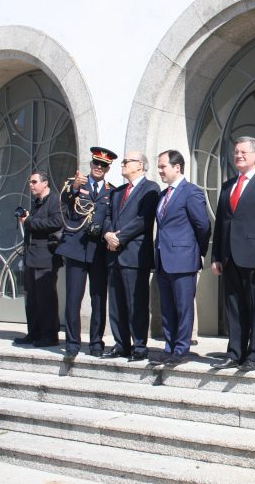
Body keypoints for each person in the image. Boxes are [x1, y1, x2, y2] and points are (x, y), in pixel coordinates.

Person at [210, 136, 255, 371]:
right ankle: (234, 353)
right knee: (233, 308)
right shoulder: (227, 185)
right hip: (230, 257)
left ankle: (254, 355)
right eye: (236, 153)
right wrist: (216, 257)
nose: (238, 156)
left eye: (243, 152)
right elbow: (221, 223)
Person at [55, 147, 117, 359]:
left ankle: (96, 343)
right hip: (76, 247)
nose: (99, 168)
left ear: (108, 168)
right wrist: (73, 187)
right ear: (90, 165)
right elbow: (63, 204)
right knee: (73, 298)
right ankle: (72, 343)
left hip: (99, 250)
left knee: (99, 298)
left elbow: (111, 217)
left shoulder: (112, 190)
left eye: (104, 165)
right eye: (95, 164)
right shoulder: (75, 184)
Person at [152, 150, 211, 365]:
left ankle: (181, 349)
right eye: (159, 167)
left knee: (183, 306)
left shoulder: (191, 192)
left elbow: (203, 226)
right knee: (167, 307)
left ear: (177, 167)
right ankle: (169, 346)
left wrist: (198, 251)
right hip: (163, 258)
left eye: (163, 166)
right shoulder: (162, 195)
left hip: (184, 258)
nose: (159, 171)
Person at [101, 151, 160, 362]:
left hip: (134, 255)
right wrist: (108, 234)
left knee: (136, 303)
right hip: (113, 254)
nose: (123, 164)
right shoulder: (118, 192)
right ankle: (121, 344)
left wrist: (120, 237)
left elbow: (143, 220)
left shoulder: (151, 189)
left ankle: (140, 346)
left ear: (140, 165)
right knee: (116, 303)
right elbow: (107, 216)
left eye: (127, 162)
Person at [14, 170, 64, 347]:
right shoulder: (36, 203)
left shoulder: (55, 200)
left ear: (45, 183)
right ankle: (34, 332)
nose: (31, 185)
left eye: (34, 182)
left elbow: (57, 223)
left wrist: (29, 222)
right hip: (31, 255)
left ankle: (49, 335)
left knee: (46, 297)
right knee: (31, 297)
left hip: (47, 256)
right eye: (30, 182)